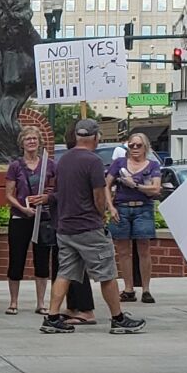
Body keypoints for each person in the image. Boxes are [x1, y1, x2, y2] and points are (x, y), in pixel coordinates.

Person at [41, 118, 145, 334]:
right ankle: (117, 318)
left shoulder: (64, 160)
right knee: (107, 273)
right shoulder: (93, 161)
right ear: (96, 137)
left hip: (65, 226)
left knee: (65, 273)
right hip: (88, 226)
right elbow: (99, 195)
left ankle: (51, 317)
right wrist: (101, 215)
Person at [4, 126, 56, 316]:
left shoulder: (49, 165)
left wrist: (47, 198)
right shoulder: (15, 166)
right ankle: (13, 301)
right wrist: (22, 207)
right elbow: (8, 194)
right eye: (28, 139)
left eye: (34, 139)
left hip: (43, 218)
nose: (31, 142)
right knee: (16, 259)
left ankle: (41, 302)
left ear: (39, 141)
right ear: (22, 143)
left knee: (42, 260)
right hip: (20, 217)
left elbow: (56, 188)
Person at [107, 133, 162, 304]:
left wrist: (135, 185)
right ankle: (128, 288)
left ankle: (146, 289)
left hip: (143, 208)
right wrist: (110, 207)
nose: (135, 149)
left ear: (145, 147)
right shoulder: (119, 164)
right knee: (123, 250)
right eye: (131, 145)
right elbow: (105, 185)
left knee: (144, 249)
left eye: (139, 145)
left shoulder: (152, 165)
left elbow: (156, 189)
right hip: (122, 207)